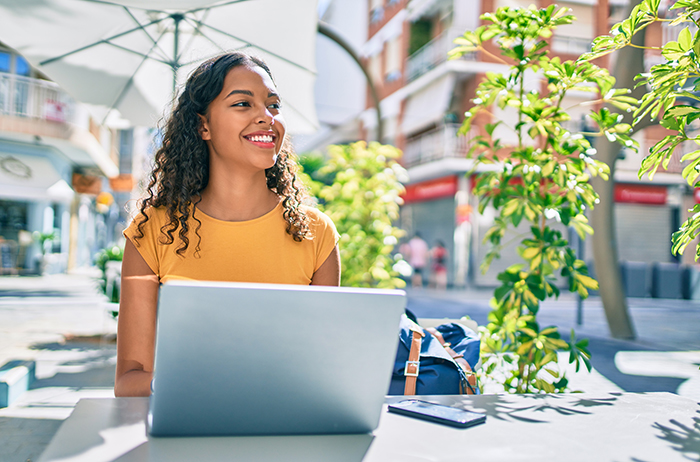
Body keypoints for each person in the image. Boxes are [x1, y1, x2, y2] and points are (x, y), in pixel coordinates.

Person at [115, 52, 340, 397]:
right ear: (203, 126)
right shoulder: (152, 231)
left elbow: (324, 369)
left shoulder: (315, 232)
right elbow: (130, 380)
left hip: (281, 428)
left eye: (273, 105)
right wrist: (206, 381)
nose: (267, 117)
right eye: (242, 104)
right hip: (185, 431)